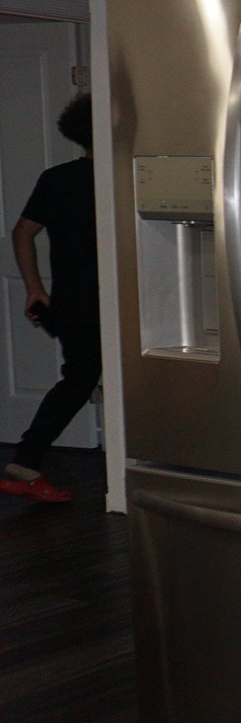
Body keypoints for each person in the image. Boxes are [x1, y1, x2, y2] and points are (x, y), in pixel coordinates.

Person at [4, 93, 100, 503]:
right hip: (118, 300)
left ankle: (24, 463)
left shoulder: (57, 178)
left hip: (73, 300)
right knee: (84, 379)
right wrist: (34, 287)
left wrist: (35, 289)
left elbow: (22, 231)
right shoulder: (124, 176)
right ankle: (23, 463)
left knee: (79, 379)